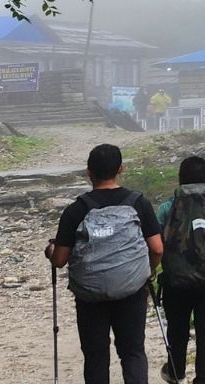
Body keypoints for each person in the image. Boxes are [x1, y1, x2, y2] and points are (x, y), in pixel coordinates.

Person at [46, 144, 164, 384]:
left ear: (88, 171)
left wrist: (50, 251)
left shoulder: (76, 210)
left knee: (95, 355)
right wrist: (146, 272)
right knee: (132, 352)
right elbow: (157, 248)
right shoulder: (138, 203)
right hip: (131, 291)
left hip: (90, 296)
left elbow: (59, 260)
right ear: (121, 169)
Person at [154, 156, 205, 384]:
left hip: (176, 280)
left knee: (177, 326)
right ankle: (204, 377)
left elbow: (156, 243)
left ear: (180, 178)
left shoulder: (169, 207)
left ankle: (176, 371)